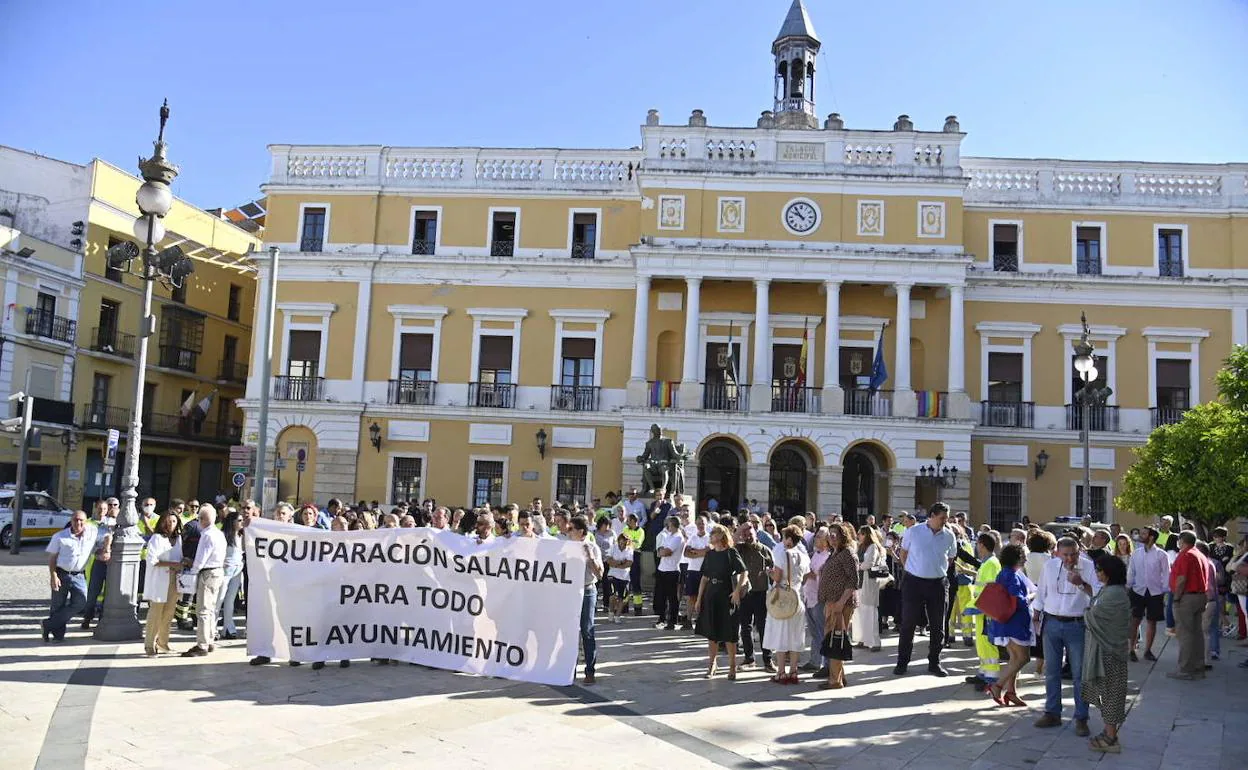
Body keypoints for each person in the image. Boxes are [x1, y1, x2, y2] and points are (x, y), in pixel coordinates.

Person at [1032, 536, 1101, 736]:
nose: (1070, 559)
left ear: (1079, 552)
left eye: (1074, 554)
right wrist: (1036, 615)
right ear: (1057, 553)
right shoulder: (1050, 566)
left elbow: (1097, 594)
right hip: (1052, 622)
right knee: (1051, 670)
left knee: (1080, 674)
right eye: (1066, 555)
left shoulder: (1089, 567)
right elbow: (1041, 592)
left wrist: (1081, 583)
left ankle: (1081, 718)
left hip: (1077, 624)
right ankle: (1052, 712)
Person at [895, 503, 957, 677]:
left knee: (938, 625)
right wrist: (912, 570)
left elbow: (951, 558)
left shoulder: (949, 536)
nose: (945, 521)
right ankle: (902, 662)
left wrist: (935, 569)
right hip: (914, 582)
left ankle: (934, 662)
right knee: (908, 623)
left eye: (946, 518)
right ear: (932, 516)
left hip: (937, 583)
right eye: (942, 518)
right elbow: (903, 553)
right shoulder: (914, 531)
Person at [1082, 554, 1131, 754]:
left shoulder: (1115, 594)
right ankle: (1108, 732)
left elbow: (1094, 616)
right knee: (1108, 692)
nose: (1097, 573)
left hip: (1109, 651)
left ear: (1109, 573)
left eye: (1099, 570)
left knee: (1111, 693)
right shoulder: (1109, 590)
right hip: (1106, 649)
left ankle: (1111, 738)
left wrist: (1086, 612)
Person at [692, 524, 749, 679]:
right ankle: (712, 665)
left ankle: (732, 667)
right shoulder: (710, 554)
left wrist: (737, 591)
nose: (711, 535)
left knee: (729, 633)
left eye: (714, 533)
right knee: (712, 633)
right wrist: (698, 599)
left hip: (727, 594)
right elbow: (704, 578)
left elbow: (744, 571)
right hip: (711, 594)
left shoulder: (731, 552)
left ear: (721, 536)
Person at [985, 544, 1034, 707]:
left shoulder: (1006, 573)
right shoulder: (1012, 575)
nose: (1026, 558)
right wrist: (1032, 595)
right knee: (1023, 658)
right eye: (1024, 555)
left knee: (1014, 658)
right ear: (1018, 557)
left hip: (1007, 622)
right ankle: (997, 686)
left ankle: (1011, 692)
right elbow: (1018, 599)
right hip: (1015, 623)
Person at [41, 510, 100, 643]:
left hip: (79, 575)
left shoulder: (92, 532)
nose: (78, 523)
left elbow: (106, 534)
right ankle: (58, 635)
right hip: (61, 573)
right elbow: (52, 559)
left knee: (81, 602)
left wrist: (106, 547)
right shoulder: (60, 537)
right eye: (75, 520)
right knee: (57, 605)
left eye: (81, 520)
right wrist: (53, 576)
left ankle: (48, 624)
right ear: (71, 521)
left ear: (86, 522)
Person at [764, 526, 810, 684]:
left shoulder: (784, 553)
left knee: (781, 634)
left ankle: (781, 672)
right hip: (797, 597)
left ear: (789, 539)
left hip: (783, 598)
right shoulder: (803, 555)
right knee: (796, 635)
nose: (783, 541)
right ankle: (794, 671)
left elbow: (777, 576)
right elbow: (806, 576)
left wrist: (769, 572)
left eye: (784, 538)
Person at [818, 522, 859, 689]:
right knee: (834, 639)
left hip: (840, 604)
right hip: (831, 602)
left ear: (843, 536)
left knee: (836, 640)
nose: (832, 536)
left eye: (836, 533)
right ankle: (840, 677)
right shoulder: (834, 553)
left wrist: (841, 602)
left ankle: (835, 681)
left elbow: (854, 580)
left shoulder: (847, 553)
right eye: (831, 533)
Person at [182, 505, 226, 657]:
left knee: (203, 610)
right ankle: (210, 640)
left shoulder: (206, 535)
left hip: (207, 573)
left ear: (202, 519)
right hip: (218, 571)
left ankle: (202, 644)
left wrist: (192, 572)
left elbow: (201, 557)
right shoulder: (219, 534)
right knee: (211, 608)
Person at [1167, 531, 1210, 680]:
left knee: (1185, 634)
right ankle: (1198, 666)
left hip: (1187, 597)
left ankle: (1185, 669)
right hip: (1200, 596)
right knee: (1197, 633)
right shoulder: (1199, 554)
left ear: (1181, 541)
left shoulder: (1185, 555)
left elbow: (1182, 578)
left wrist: (1177, 598)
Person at [567, 515, 603, 684]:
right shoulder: (566, 547)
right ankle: (568, 669)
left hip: (587, 591)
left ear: (580, 531)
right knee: (570, 632)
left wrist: (590, 558)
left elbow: (600, 574)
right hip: (570, 592)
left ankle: (590, 671)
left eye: (570, 529)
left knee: (587, 631)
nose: (567, 532)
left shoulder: (593, 547)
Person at [1127, 526, 1170, 662]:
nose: (1141, 535)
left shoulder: (1162, 555)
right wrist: (1129, 585)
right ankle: (1131, 649)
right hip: (1137, 591)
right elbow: (1131, 571)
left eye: (1144, 533)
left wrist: (1163, 590)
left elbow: (1166, 573)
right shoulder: (1136, 553)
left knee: (1152, 622)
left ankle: (1148, 650)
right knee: (1134, 620)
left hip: (1155, 593)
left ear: (1151, 537)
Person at [143, 511, 183, 655]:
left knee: (169, 612)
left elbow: (180, 557)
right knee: (156, 612)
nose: (171, 524)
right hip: (160, 578)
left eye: (174, 521)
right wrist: (172, 564)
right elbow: (153, 560)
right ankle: (149, 644)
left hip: (174, 579)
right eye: (168, 521)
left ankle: (163, 642)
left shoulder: (178, 539)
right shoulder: (156, 538)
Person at [736, 523, 775, 671]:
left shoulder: (766, 551)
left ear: (756, 534)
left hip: (761, 592)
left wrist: (769, 574)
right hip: (745, 592)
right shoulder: (740, 549)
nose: (747, 537)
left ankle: (768, 659)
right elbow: (731, 543)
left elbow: (774, 571)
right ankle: (749, 658)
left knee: (763, 627)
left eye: (749, 534)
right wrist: (740, 530)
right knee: (745, 627)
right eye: (744, 535)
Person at [968, 532, 1003, 689]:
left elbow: (991, 589)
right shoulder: (987, 562)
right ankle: (983, 672)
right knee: (982, 643)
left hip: (986, 611)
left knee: (988, 644)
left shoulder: (991, 563)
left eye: (977, 544)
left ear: (981, 545)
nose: (976, 547)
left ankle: (991, 678)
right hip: (981, 609)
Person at [81, 497, 118, 629]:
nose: (102, 511)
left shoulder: (113, 522)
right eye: (100, 508)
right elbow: (86, 542)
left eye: (104, 508)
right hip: (96, 560)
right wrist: (98, 552)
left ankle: (102, 618)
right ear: (95, 508)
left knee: (108, 592)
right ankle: (87, 617)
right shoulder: (89, 524)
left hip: (111, 562)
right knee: (93, 591)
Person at [802, 527, 831, 675]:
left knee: (822, 631)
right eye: (816, 536)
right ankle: (814, 661)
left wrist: (810, 574)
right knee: (814, 632)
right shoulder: (814, 554)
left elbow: (823, 578)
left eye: (820, 537)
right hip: (809, 596)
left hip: (820, 598)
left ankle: (826, 664)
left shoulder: (828, 557)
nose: (816, 539)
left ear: (827, 542)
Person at [853, 525, 885, 652]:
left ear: (866, 535)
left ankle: (875, 642)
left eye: (861, 534)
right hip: (859, 583)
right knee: (860, 612)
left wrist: (858, 566)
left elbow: (869, 563)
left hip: (869, 583)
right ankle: (862, 639)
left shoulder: (873, 547)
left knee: (870, 612)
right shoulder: (860, 547)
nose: (858, 536)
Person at [217, 511, 245, 641]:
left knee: (230, 600)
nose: (241, 523)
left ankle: (229, 628)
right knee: (219, 599)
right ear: (232, 522)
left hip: (237, 570)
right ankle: (212, 628)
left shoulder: (241, 535)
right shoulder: (223, 536)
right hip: (225, 570)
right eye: (239, 520)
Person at [653, 515, 685, 630]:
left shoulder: (678, 537)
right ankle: (661, 619)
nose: (668, 526)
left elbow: (666, 552)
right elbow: (659, 550)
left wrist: (662, 551)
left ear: (673, 524)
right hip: (662, 569)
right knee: (661, 596)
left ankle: (672, 620)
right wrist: (661, 551)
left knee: (672, 597)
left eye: (669, 524)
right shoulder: (668, 535)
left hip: (672, 570)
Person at [682, 515, 710, 630]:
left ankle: (701, 621)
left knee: (703, 597)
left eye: (702, 523)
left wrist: (694, 552)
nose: (700, 525)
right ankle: (688, 620)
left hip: (705, 571)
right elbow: (686, 553)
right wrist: (700, 552)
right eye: (698, 523)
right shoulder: (692, 537)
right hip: (692, 570)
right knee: (691, 596)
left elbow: (708, 551)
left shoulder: (710, 537)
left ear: (706, 524)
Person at [605, 531, 634, 624]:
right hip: (613, 574)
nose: (622, 545)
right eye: (621, 543)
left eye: (624, 543)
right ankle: (611, 612)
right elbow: (609, 560)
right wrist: (621, 563)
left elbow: (629, 563)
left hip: (624, 577)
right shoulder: (613, 547)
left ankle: (617, 616)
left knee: (622, 598)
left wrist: (617, 564)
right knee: (613, 595)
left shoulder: (629, 550)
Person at [623, 513, 645, 616]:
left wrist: (628, 542)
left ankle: (638, 608)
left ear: (633, 521)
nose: (626, 522)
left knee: (635, 582)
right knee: (625, 581)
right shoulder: (625, 529)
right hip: (626, 555)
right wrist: (630, 542)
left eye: (628, 520)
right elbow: (621, 541)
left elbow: (637, 544)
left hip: (635, 556)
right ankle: (624, 606)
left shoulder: (640, 531)